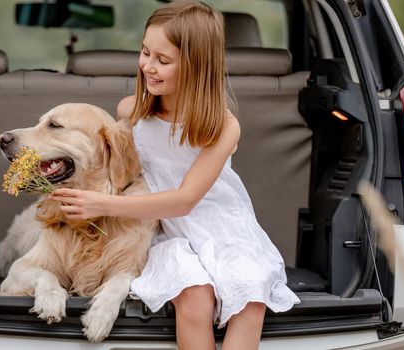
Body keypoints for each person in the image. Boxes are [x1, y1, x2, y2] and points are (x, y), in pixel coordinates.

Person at [49, 1, 300, 349]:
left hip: (220, 229)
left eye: (163, 61)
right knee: (194, 294)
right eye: (145, 52)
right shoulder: (131, 112)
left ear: (196, 67)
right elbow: (114, 168)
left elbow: (184, 201)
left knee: (249, 293)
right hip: (164, 231)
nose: (148, 66)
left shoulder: (223, 126)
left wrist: (102, 205)